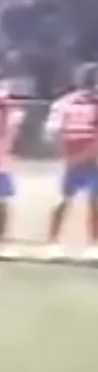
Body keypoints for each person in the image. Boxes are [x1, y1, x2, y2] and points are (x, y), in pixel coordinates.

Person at [44, 63, 98, 259]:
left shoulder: (63, 103)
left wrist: (68, 156)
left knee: (63, 199)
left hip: (70, 158)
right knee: (95, 201)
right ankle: (94, 245)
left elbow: (54, 133)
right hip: (94, 159)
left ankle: (52, 243)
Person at [0, 79, 22, 256]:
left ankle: (3, 241)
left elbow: (10, 132)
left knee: (3, 202)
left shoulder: (9, 110)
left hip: (1, 162)